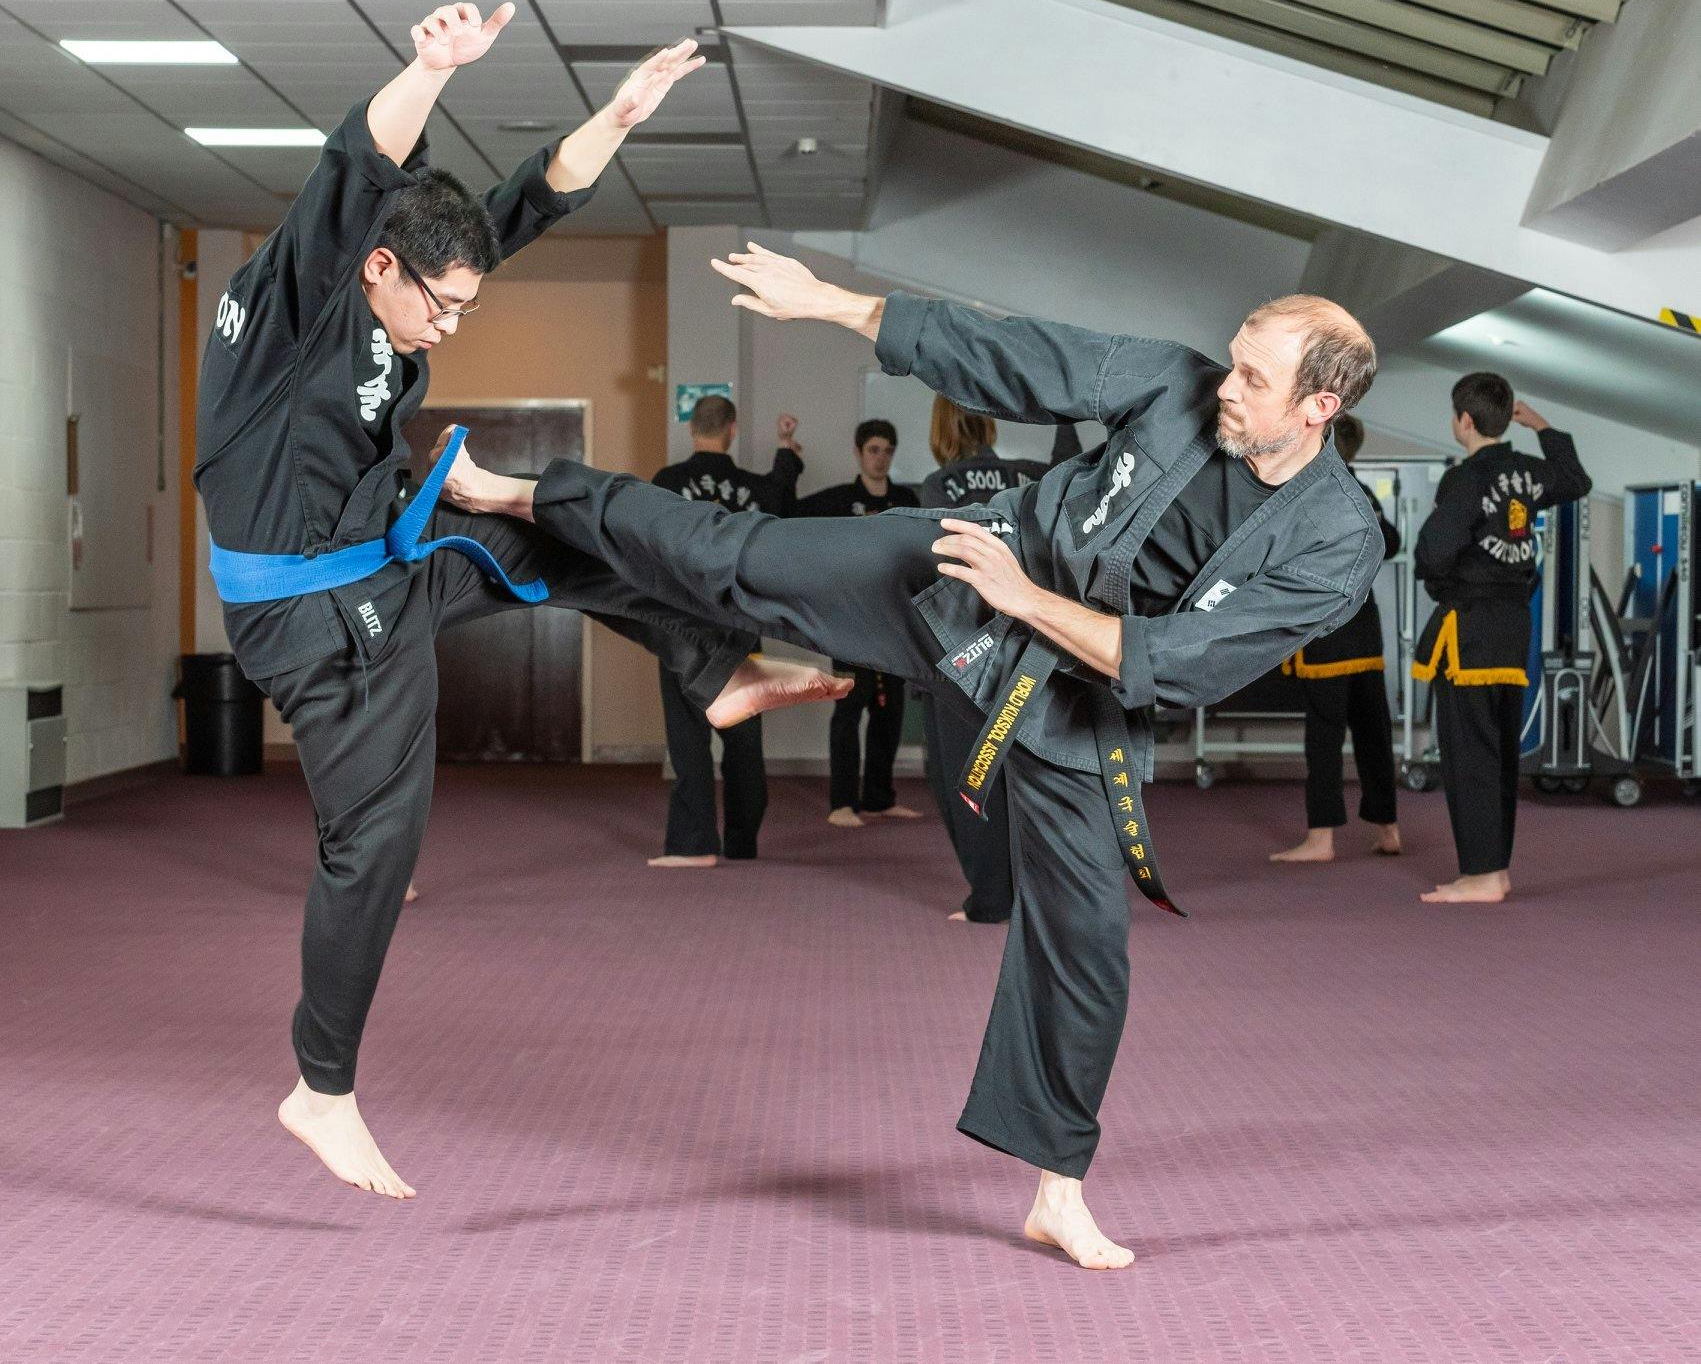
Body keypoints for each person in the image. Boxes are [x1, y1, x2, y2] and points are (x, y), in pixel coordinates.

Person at [432, 241, 1384, 1269]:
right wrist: (834, 305)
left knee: (1088, 948)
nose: (1226, 385)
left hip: (1078, 695)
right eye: (1235, 359)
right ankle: (522, 499)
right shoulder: (1174, 384)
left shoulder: (1336, 538)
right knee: (734, 561)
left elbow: (1183, 664)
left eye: (1253, 377)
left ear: (1318, 409)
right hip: (971, 568)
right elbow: (1014, 356)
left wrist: (1032, 603)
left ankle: (1057, 1189)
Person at [193, 8, 845, 1200]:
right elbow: (358, 168)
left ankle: (714, 671)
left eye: (464, 310)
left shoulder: (416, 259)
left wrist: (614, 117)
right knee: (376, 838)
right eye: (439, 306)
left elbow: (524, 200)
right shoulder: (291, 305)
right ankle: (320, 1086)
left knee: (575, 530)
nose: (449, 326)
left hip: (390, 554)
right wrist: (430, 68)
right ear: (374, 265)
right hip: (313, 623)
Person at [1413, 376, 1591, 904]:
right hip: (1514, 626)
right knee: (1499, 755)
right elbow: (1576, 480)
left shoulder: (1465, 479)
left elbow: (1432, 553)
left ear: (1463, 421)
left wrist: (1447, 586)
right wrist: (1542, 427)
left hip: (1468, 631)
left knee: (1468, 754)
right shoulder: (1530, 472)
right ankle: (1494, 869)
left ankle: (1482, 875)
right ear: (1506, 417)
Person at [917, 399, 1080, 922]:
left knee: (962, 774)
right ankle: (1043, 893)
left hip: (961, 652)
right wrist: (1064, 422)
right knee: (1026, 773)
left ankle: (990, 898)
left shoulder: (937, 487)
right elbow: (1070, 488)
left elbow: (937, 574)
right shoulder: (1026, 477)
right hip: (1030, 644)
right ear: (988, 422)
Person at [649, 399, 805, 868]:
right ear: (733, 430)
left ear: (693, 428)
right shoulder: (755, 489)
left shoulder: (666, 484)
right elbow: (781, 501)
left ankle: (693, 844)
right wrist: (785, 451)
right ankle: (742, 843)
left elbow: (644, 543)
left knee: (688, 737)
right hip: (739, 625)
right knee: (743, 739)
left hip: (680, 623)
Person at [1270, 413, 1402, 863]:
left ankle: (1321, 838)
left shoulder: (1313, 492)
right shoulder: (1362, 493)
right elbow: (1394, 541)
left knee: (1324, 738)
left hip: (1326, 630)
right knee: (1373, 733)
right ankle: (1388, 828)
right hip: (1365, 632)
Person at [796, 420, 923, 827]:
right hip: (850, 624)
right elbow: (787, 513)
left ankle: (880, 797)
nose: (880, 457)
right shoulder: (837, 500)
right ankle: (842, 803)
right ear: (857, 452)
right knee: (849, 710)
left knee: (890, 712)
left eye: (887, 450)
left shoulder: (906, 500)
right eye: (873, 449)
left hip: (894, 624)